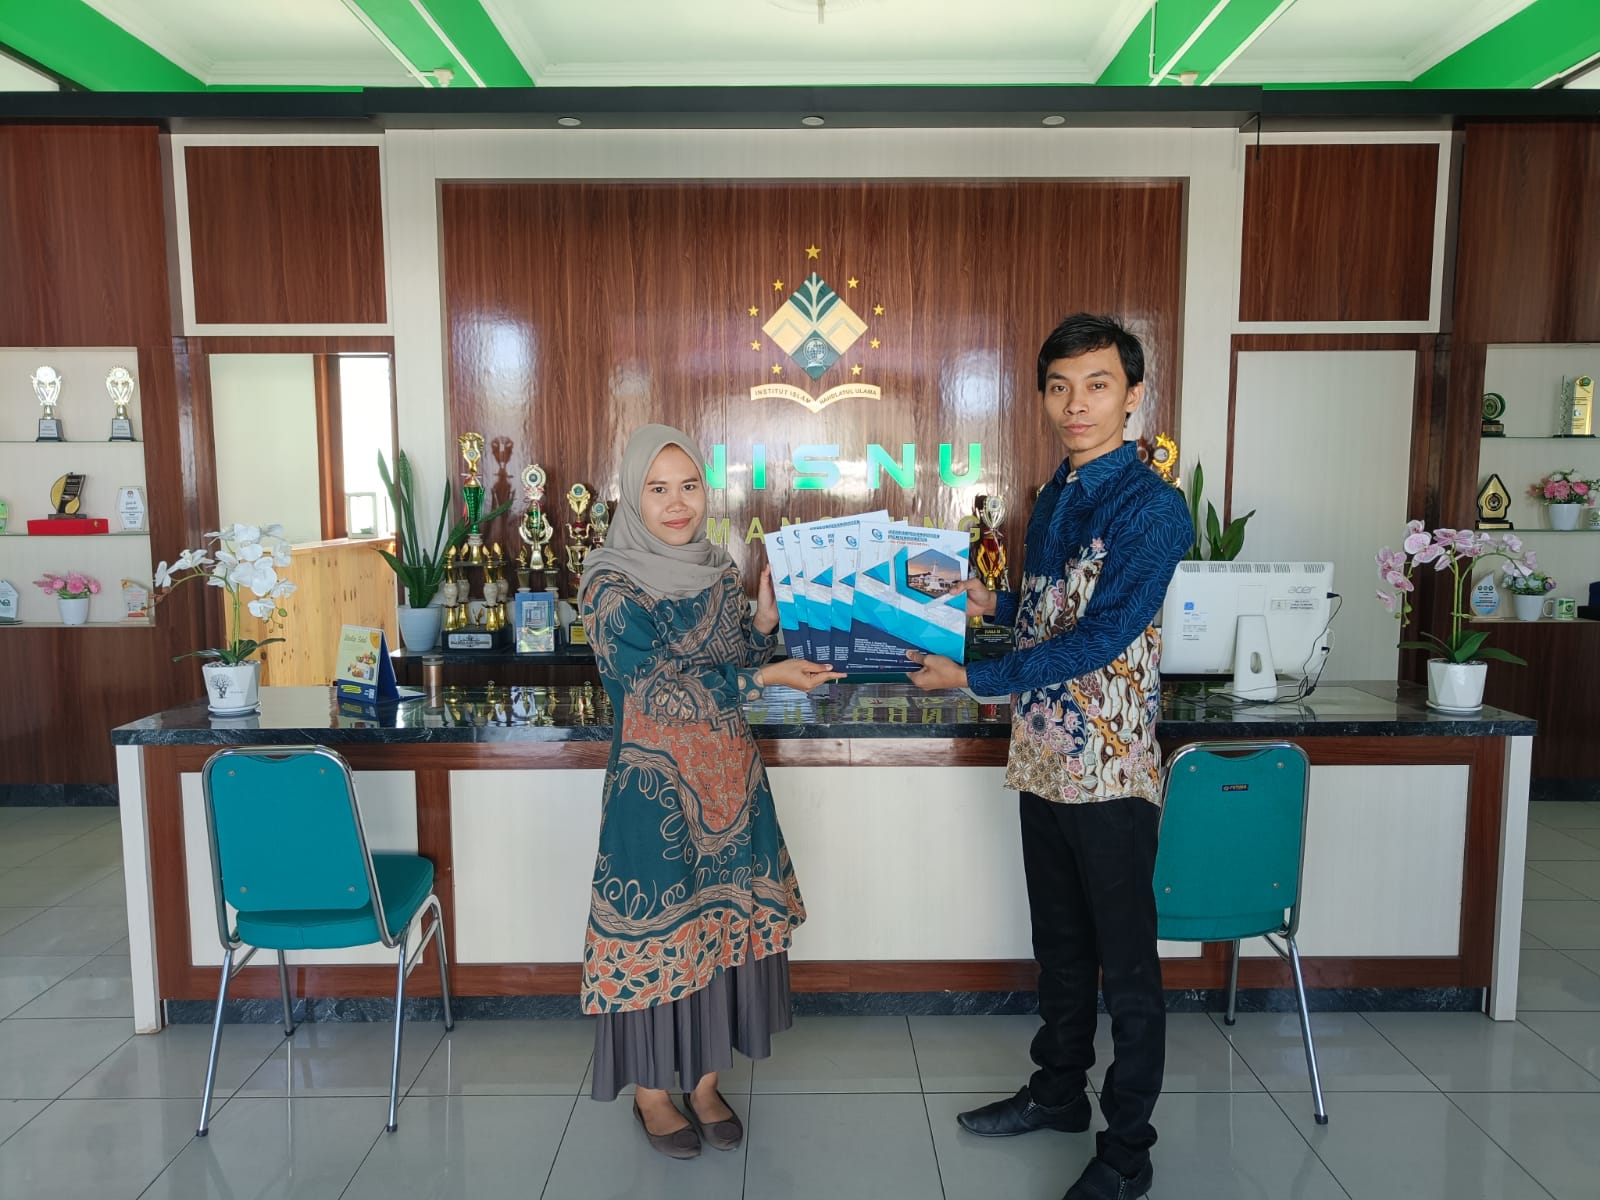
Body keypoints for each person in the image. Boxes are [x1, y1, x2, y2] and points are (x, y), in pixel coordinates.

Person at [907, 314, 1193, 1200]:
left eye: (1097, 385)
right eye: (1060, 387)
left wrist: (973, 677)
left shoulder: (1153, 506)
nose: (1077, 404)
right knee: (1060, 947)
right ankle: (1059, 1092)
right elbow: (1049, 609)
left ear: (1133, 395)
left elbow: (1103, 636)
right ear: (1042, 397)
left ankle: (1127, 1153)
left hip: (1108, 770)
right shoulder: (1059, 491)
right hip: (1040, 758)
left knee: (1128, 969)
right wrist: (984, 599)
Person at [578, 423, 842, 1159]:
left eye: (689, 486)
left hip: (730, 783)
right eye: (658, 489)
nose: (677, 503)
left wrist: (762, 621)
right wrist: (765, 676)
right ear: (633, 498)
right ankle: (651, 1094)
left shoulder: (718, 569)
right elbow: (654, 690)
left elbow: (734, 659)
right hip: (654, 796)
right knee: (656, 933)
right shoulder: (607, 584)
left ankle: (702, 1083)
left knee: (719, 934)